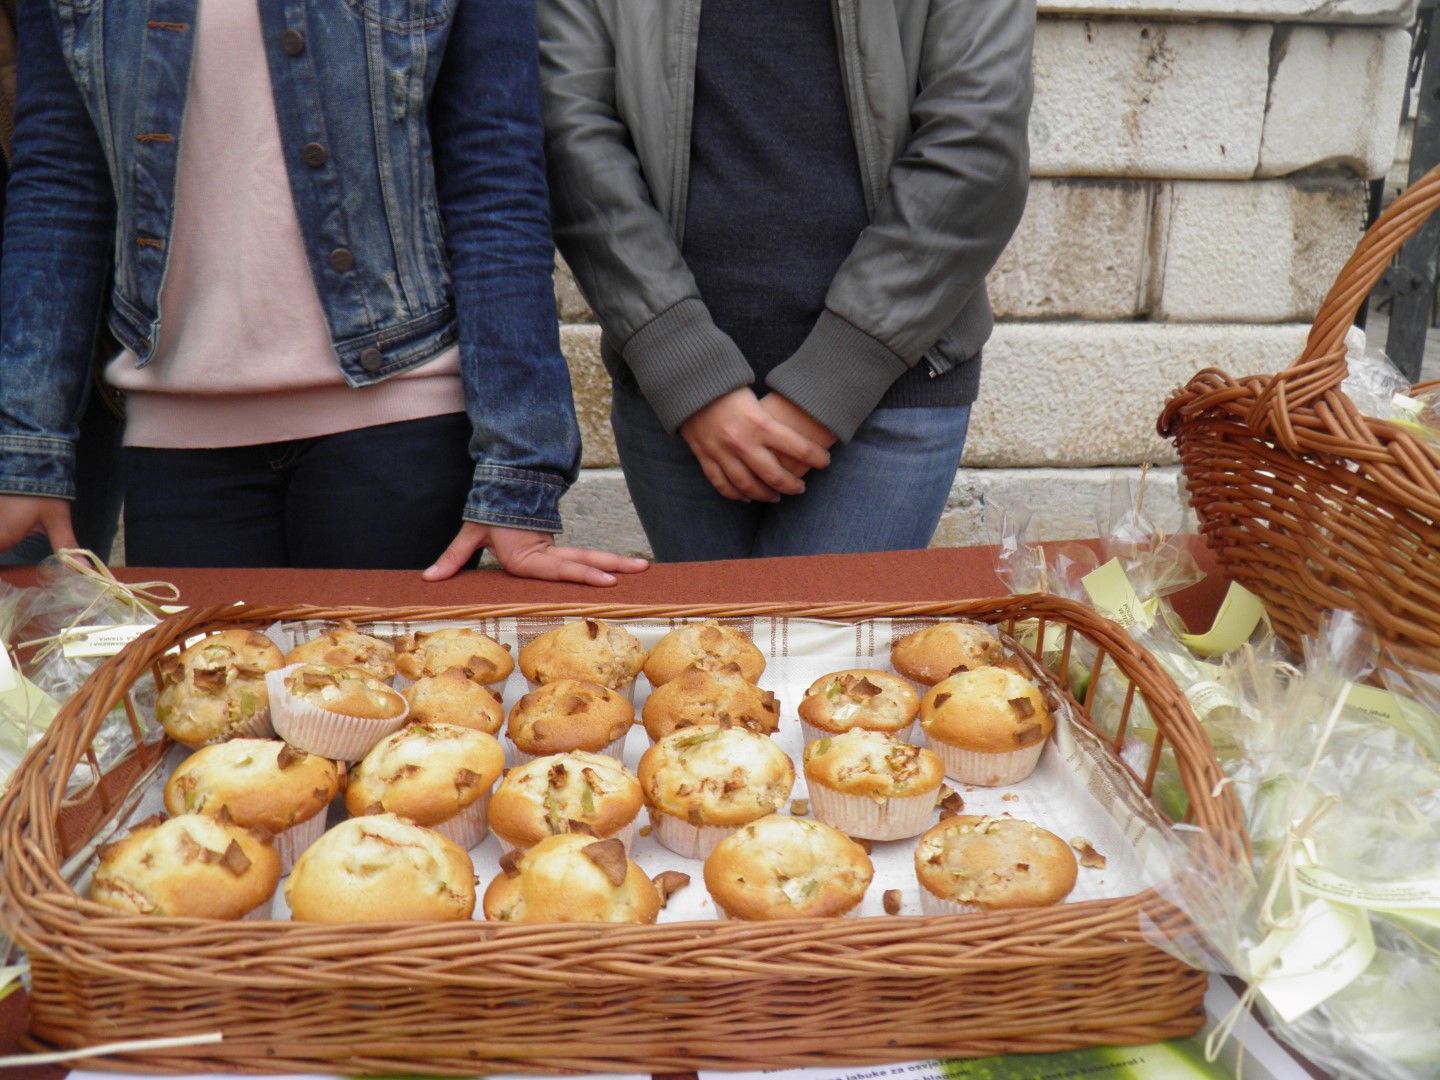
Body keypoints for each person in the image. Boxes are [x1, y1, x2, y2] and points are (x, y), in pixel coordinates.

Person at [0, 0, 647, 586]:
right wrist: (26, 452)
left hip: (398, 427)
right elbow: (60, 183)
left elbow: (496, 177)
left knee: (400, 709)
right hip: (180, 448)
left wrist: (520, 478)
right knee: (204, 714)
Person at [539, 0, 1035, 561]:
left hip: (893, 384)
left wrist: (832, 379)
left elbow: (979, 140)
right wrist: (685, 365)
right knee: (707, 648)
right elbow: (569, 132)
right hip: (674, 395)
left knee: (826, 649)